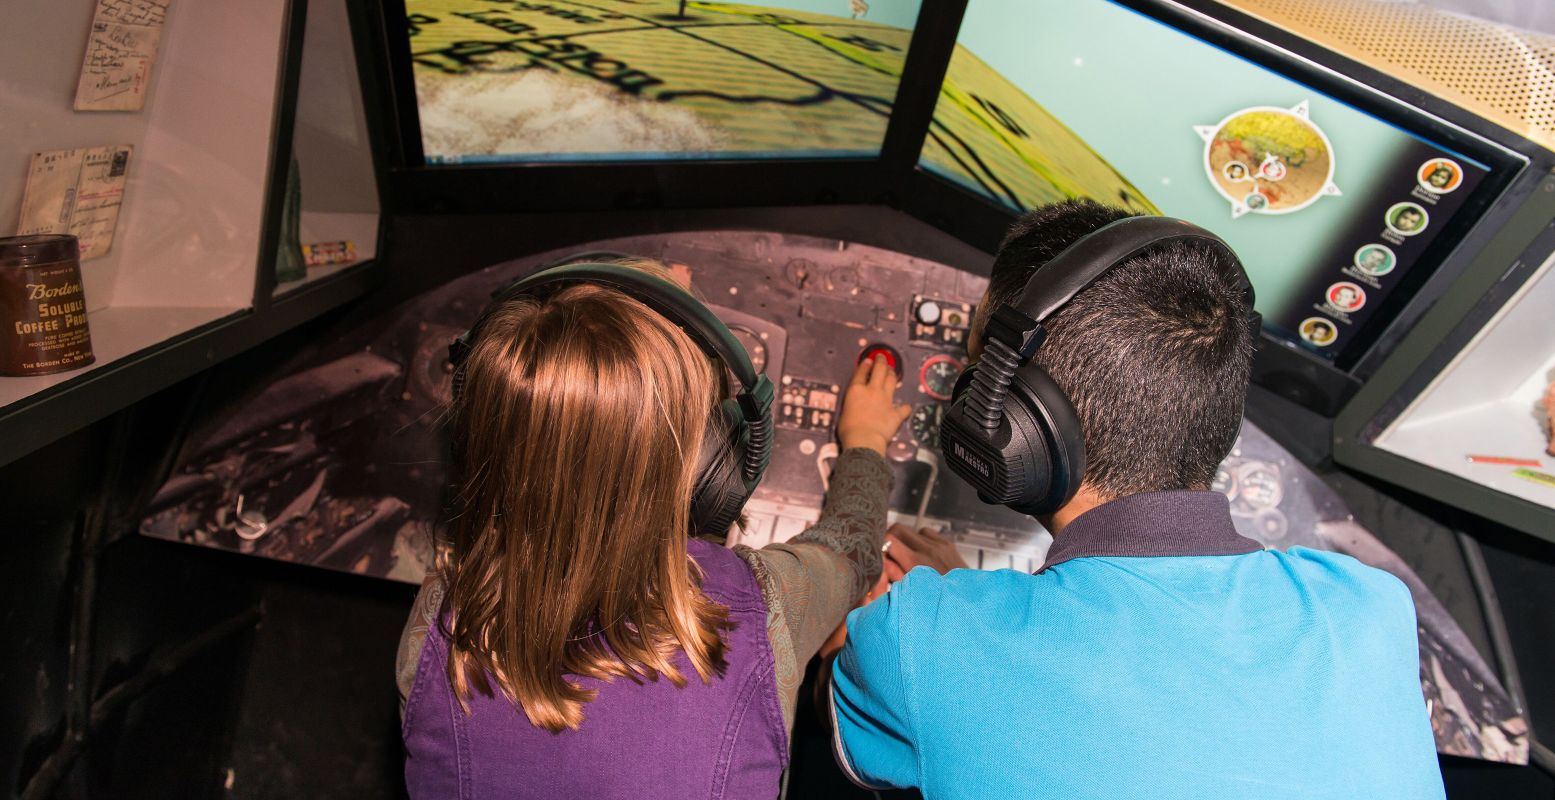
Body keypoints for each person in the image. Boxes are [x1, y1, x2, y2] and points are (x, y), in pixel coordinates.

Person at [830, 200, 1443, 799]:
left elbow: (842, 736)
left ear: (1012, 425)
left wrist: (918, 611)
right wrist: (968, 609)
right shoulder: (1371, 610)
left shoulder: (918, 636)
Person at [398, 258, 910, 799]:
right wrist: (865, 439)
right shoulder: (767, 606)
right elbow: (853, 549)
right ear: (713, 473)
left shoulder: (439, 614)